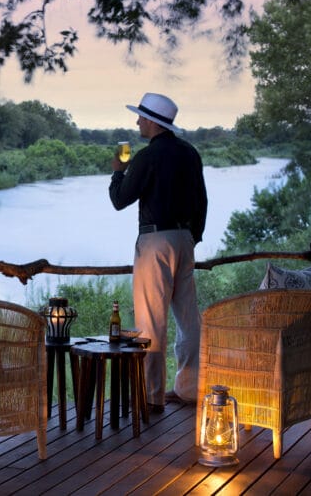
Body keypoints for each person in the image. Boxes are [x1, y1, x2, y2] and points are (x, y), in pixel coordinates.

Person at [108, 92, 207, 413]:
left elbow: (120, 200)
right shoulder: (189, 153)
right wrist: (193, 237)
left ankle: (151, 397)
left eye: (140, 116)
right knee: (188, 317)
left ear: (152, 121)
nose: (137, 121)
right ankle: (190, 388)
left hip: (155, 241)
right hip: (184, 238)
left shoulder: (146, 157)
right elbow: (202, 200)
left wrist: (118, 170)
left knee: (151, 320)